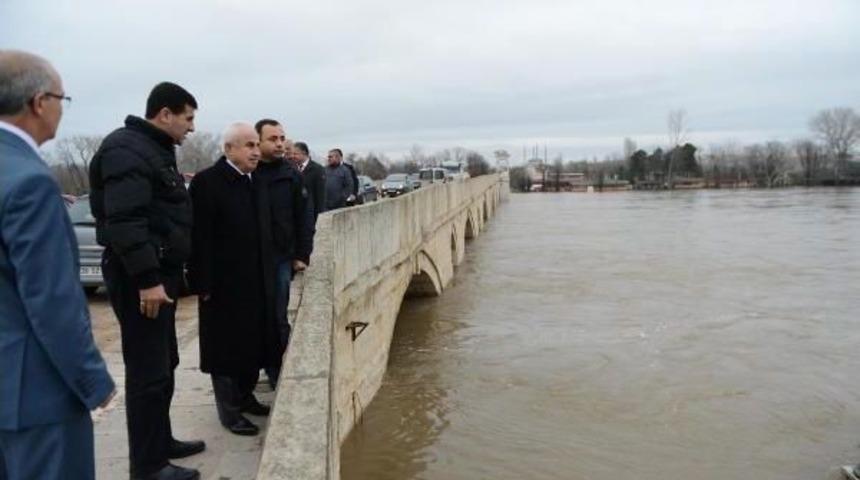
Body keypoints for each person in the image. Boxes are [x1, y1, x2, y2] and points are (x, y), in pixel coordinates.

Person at [0, 50, 115, 480]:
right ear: (37, 101)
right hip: (36, 397)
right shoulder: (30, 180)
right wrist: (93, 382)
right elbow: (52, 301)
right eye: (62, 100)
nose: (61, 112)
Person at [89, 82, 202, 480]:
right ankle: (148, 466)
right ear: (165, 114)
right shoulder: (127, 149)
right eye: (188, 118)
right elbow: (125, 221)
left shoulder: (153, 148)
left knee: (165, 363)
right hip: (141, 280)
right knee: (147, 372)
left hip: (160, 277)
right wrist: (148, 279)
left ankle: (161, 441)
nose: (191, 127)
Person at [187, 122, 281, 436]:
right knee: (226, 350)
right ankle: (229, 412)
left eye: (257, 145)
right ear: (229, 149)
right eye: (248, 146)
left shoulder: (256, 182)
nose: (256, 151)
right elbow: (200, 237)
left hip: (255, 281)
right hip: (223, 285)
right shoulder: (207, 182)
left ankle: (245, 397)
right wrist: (203, 284)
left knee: (253, 345)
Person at [253, 119, 314, 387]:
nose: (280, 144)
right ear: (258, 141)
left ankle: (277, 371)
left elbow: (304, 217)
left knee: (278, 316)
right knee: (253, 316)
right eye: (273, 139)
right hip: (252, 260)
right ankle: (251, 370)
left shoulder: (291, 175)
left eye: (282, 138)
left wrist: (302, 254)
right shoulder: (249, 173)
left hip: (280, 258)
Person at [290, 141, 326, 221]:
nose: (292, 156)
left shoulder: (317, 169)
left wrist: (318, 216)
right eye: (292, 154)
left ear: (304, 153)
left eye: (295, 154)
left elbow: (320, 195)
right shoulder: (292, 168)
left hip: (310, 215)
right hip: (295, 214)